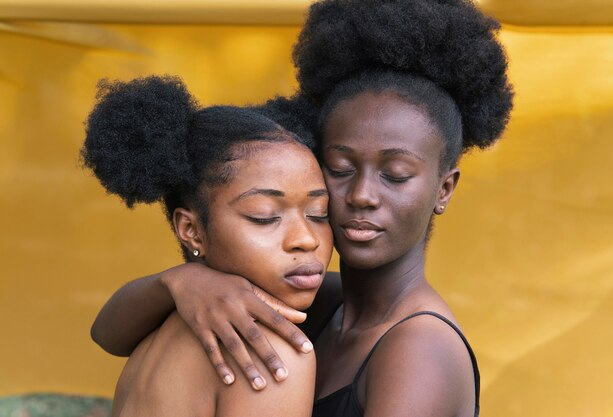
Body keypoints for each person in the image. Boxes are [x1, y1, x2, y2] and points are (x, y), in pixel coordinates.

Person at [91, 1, 514, 416]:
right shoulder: (318, 297)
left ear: (444, 189)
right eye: (340, 169)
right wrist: (182, 282)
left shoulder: (421, 349)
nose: (362, 194)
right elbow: (108, 334)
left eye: (396, 174)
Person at [82, 75, 334, 417]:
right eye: (264, 216)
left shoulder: (155, 329)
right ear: (192, 230)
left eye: (320, 213)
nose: (306, 239)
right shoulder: (267, 354)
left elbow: (104, 333)